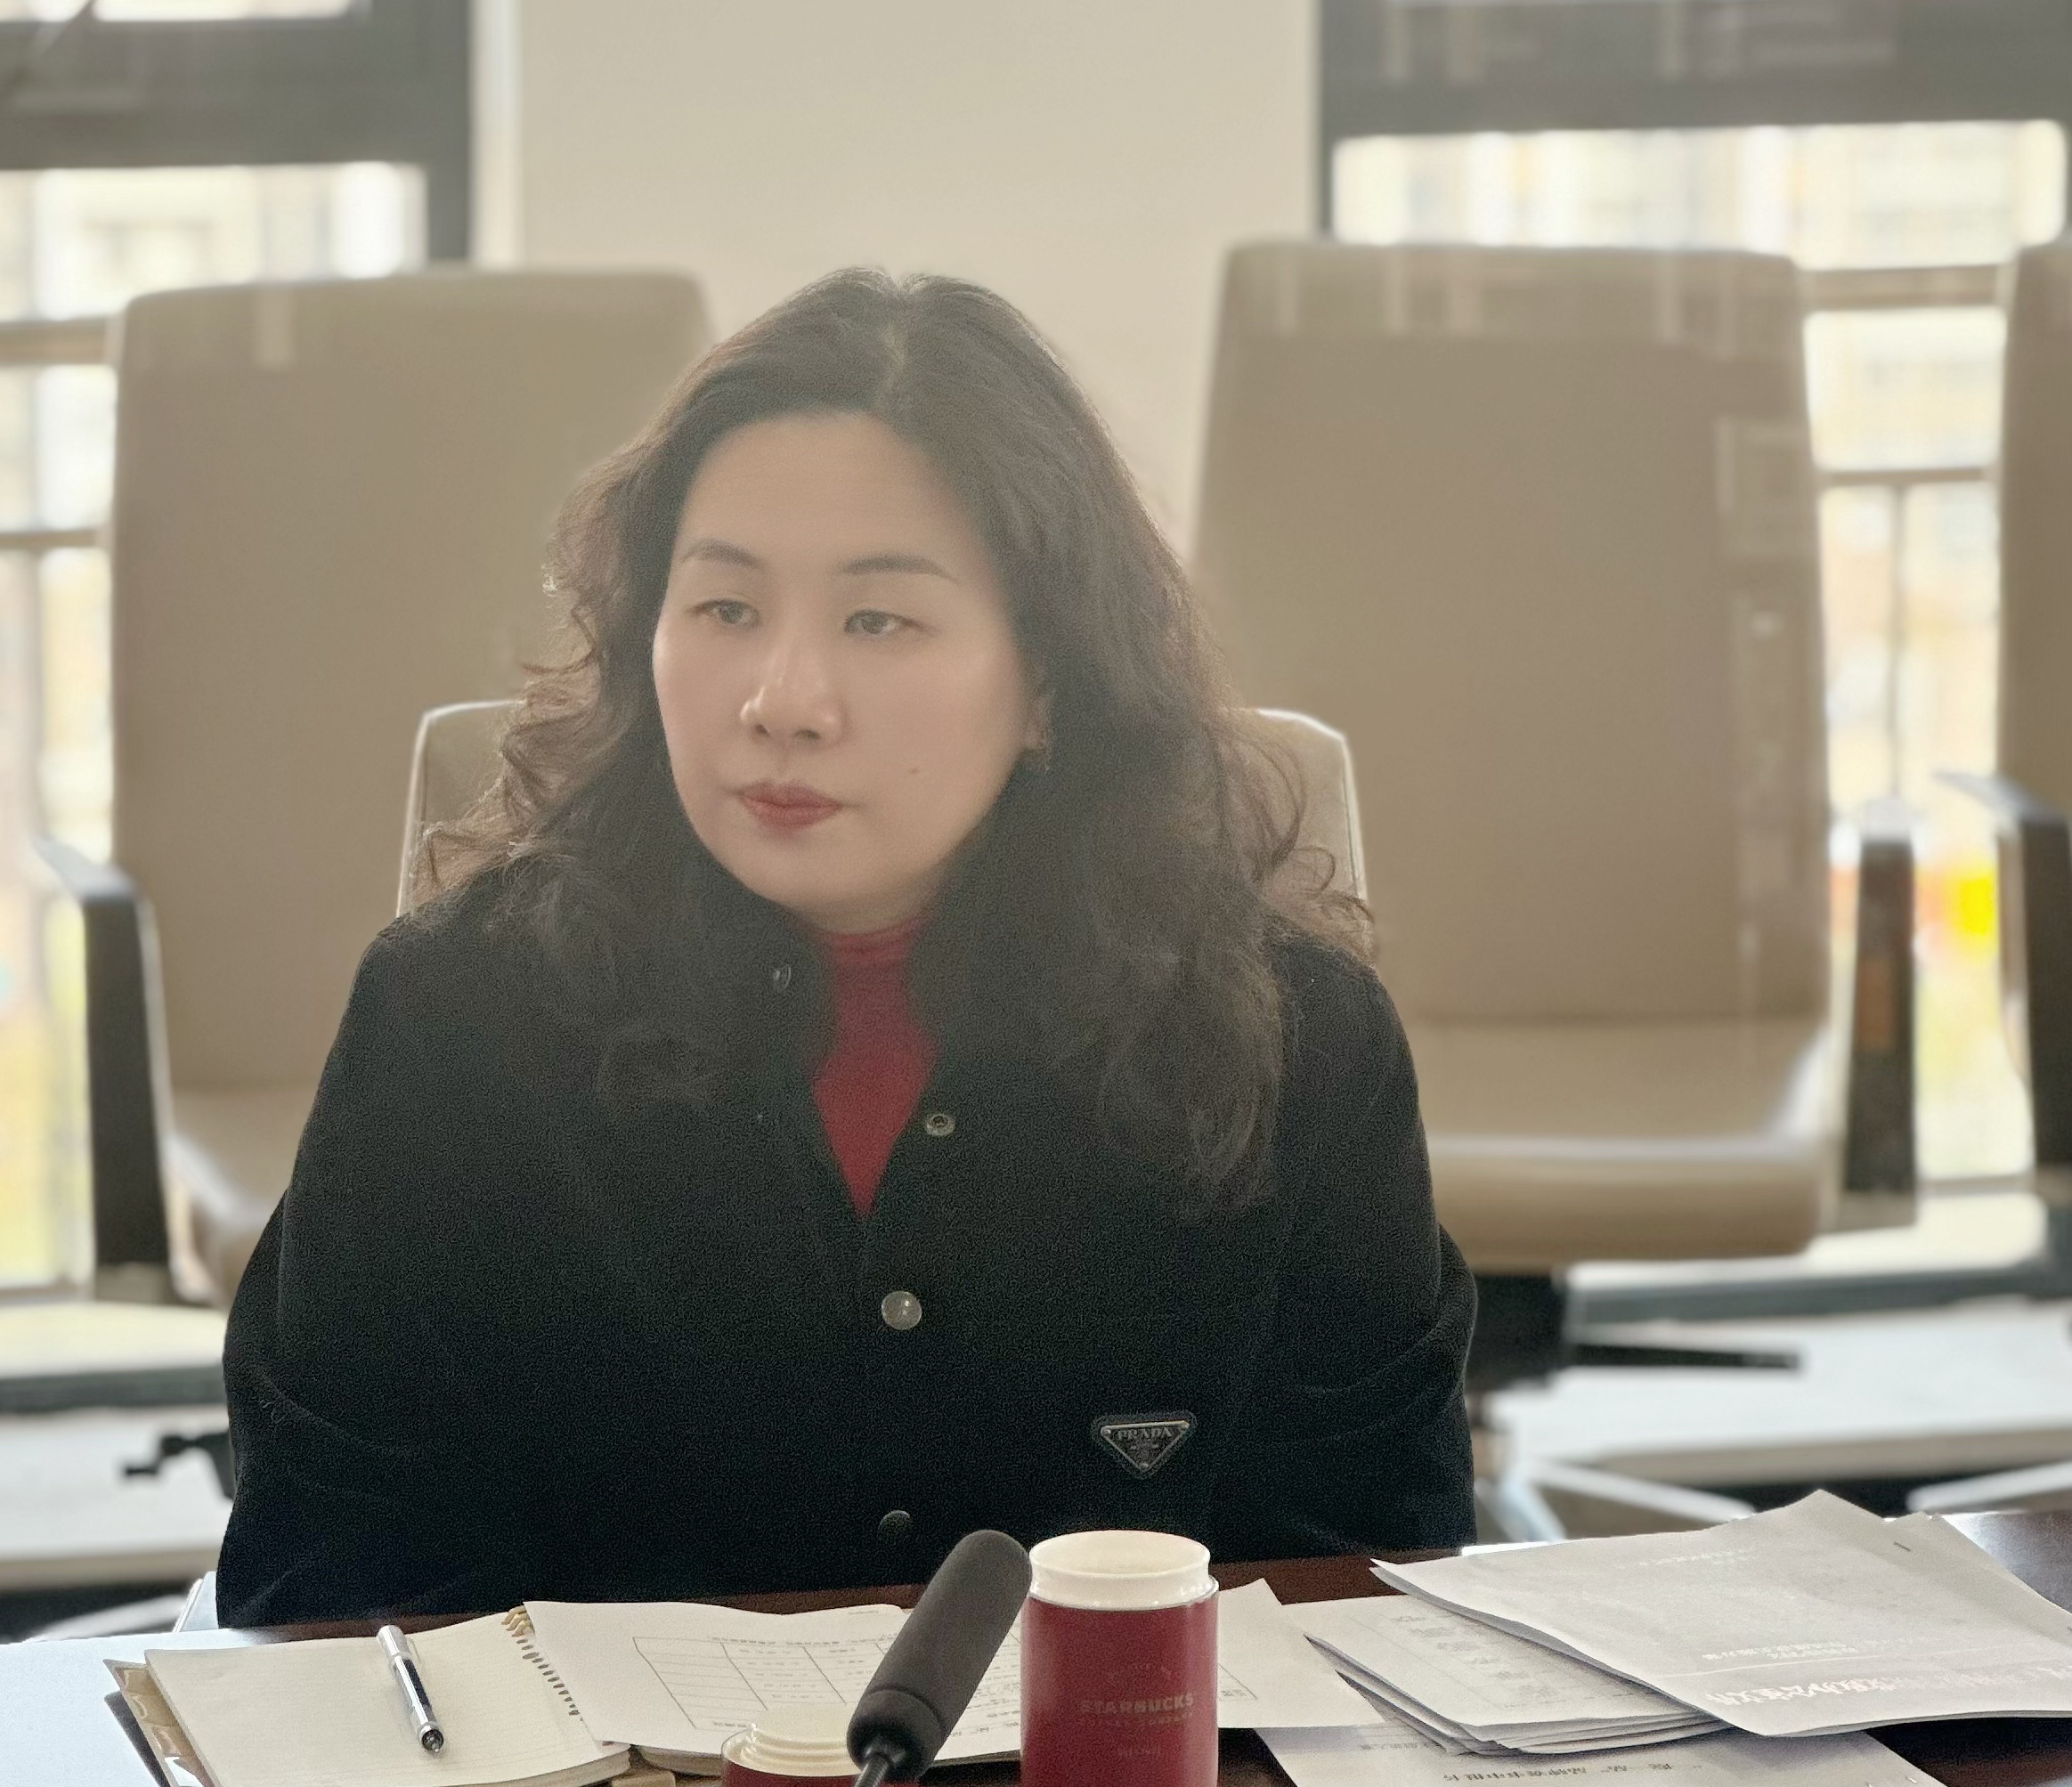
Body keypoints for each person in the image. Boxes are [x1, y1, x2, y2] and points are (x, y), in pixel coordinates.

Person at [215, 269, 1475, 1627]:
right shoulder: (452, 1024)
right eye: (726, 609)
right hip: (583, 1774)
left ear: (1050, 683)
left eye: (880, 621)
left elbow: (1367, 1611)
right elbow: (335, 1599)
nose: (784, 702)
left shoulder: (1294, 1048)